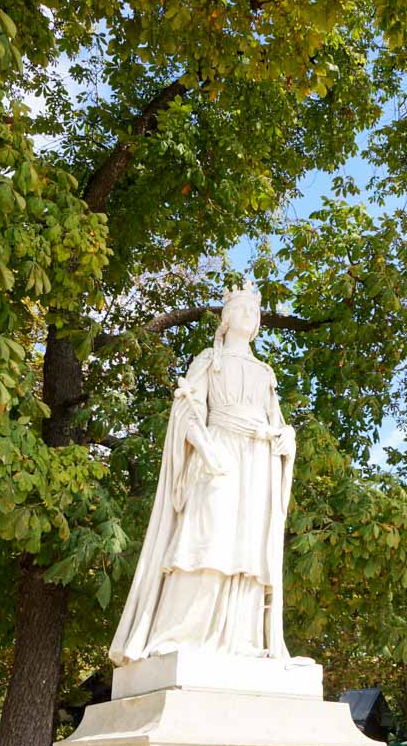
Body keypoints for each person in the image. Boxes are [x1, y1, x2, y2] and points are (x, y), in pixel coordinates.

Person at [109, 282, 296, 663]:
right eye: (242, 309)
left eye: (254, 312)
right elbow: (187, 410)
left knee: (246, 547)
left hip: (258, 461)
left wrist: (286, 438)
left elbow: (276, 422)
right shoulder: (210, 360)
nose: (250, 315)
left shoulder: (265, 372)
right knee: (207, 536)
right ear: (226, 318)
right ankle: (179, 633)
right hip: (221, 451)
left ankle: (240, 639)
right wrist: (205, 448)